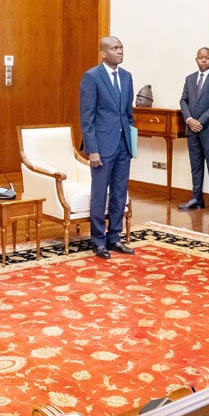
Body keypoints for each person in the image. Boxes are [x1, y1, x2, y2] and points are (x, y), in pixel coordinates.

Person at [80, 36, 136, 259]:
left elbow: (128, 114)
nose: (120, 51)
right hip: (102, 146)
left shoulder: (127, 76)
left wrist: (132, 143)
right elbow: (87, 117)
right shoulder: (92, 77)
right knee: (99, 192)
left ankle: (115, 237)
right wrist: (92, 149)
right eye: (114, 48)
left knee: (120, 192)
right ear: (103, 53)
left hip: (123, 145)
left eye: (121, 47)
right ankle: (98, 239)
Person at [178, 47, 209, 215]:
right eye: (201, 57)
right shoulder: (190, 79)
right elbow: (183, 101)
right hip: (191, 129)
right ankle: (196, 198)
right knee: (195, 165)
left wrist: (200, 121)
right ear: (196, 59)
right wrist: (189, 120)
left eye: (207, 58)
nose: (204, 60)